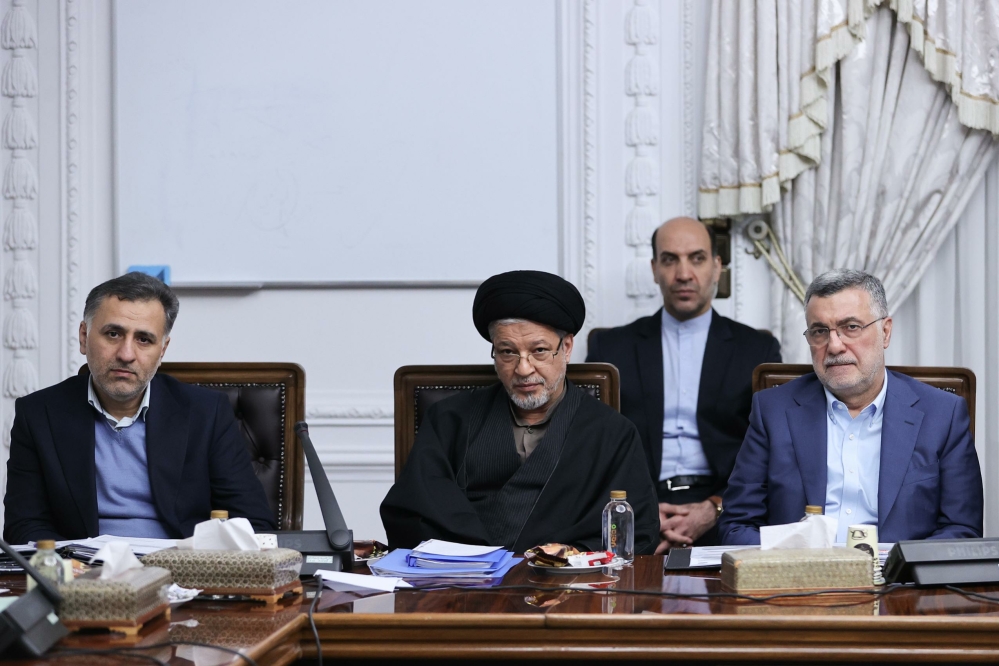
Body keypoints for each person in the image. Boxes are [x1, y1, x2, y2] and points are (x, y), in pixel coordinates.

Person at [381, 270, 660, 554]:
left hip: (566, 579)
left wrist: (565, 556)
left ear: (566, 348)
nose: (523, 369)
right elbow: (412, 513)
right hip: (462, 578)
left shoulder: (612, 433)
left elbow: (633, 532)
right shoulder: (449, 420)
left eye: (539, 350)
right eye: (507, 352)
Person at [4, 272, 276, 544]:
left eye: (144, 339)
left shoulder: (206, 413)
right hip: (84, 568)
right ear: (84, 337)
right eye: (113, 334)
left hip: (182, 565)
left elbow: (253, 523)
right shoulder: (38, 414)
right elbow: (24, 527)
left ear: (162, 350)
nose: (126, 354)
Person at [719, 269, 983, 544]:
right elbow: (736, 525)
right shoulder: (772, 411)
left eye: (851, 327)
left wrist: (900, 564)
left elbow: (962, 530)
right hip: (800, 570)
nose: (834, 346)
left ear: (885, 332)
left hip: (899, 570)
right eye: (820, 331)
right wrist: (793, 559)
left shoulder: (942, 415)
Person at [587, 218, 781, 549]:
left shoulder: (757, 350)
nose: (683, 274)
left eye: (697, 258)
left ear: (717, 267)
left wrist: (716, 507)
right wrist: (641, 510)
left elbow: (773, 450)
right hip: (634, 508)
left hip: (727, 508)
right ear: (654, 269)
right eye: (669, 259)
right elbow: (593, 447)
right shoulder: (611, 348)